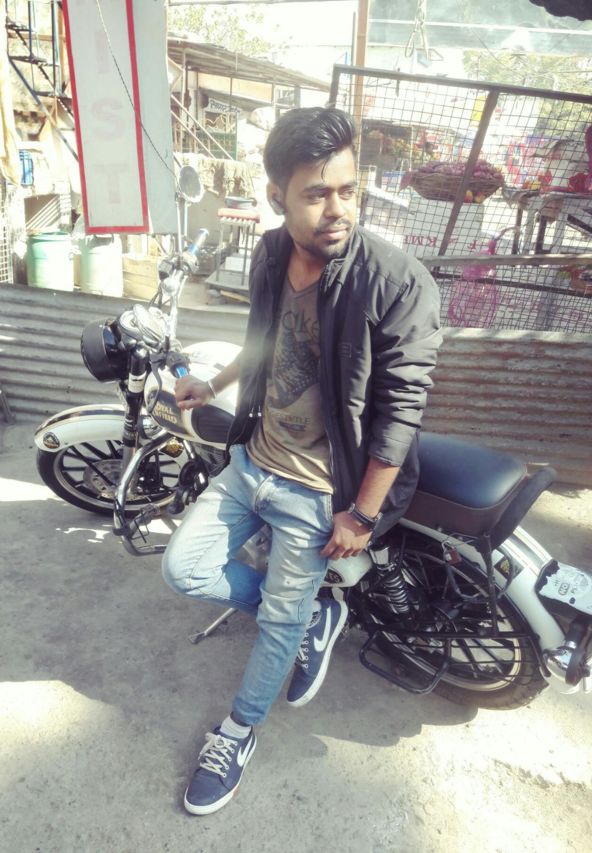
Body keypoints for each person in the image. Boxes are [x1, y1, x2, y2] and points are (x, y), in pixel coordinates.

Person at [162, 107, 441, 816]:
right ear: (277, 196)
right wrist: (214, 383)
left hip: (321, 492)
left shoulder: (396, 282)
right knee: (184, 568)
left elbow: (401, 414)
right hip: (255, 461)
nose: (337, 208)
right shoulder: (268, 253)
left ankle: (239, 730)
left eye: (348, 190)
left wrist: (361, 516)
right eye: (316, 194)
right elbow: (266, 338)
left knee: (277, 622)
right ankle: (306, 619)